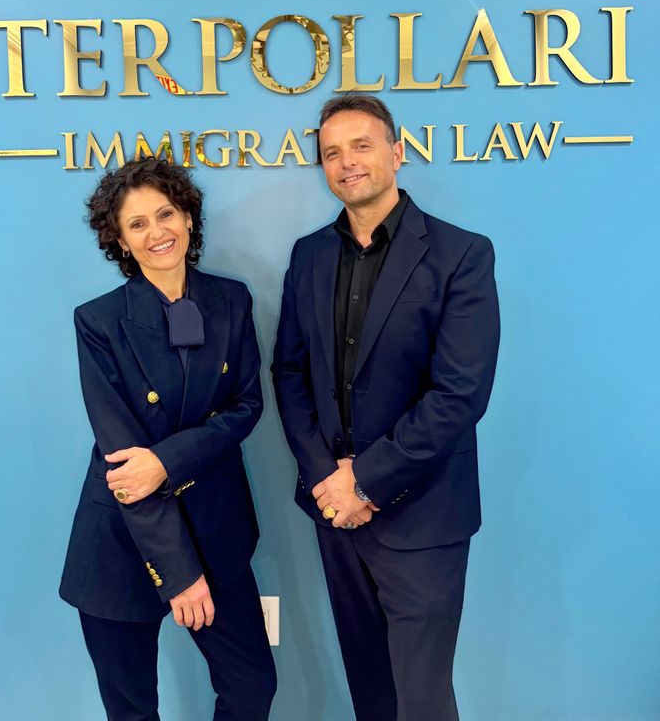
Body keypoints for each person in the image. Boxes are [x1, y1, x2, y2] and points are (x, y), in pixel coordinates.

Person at [272, 94, 500, 721]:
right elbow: (289, 372)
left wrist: (365, 482)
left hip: (421, 513)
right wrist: (325, 477)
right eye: (331, 153)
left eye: (362, 145)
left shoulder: (462, 255)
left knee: (422, 701)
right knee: (370, 692)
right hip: (334, 511)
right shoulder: (308, 255)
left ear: (397, 153)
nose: (346, 162)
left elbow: (460, 393)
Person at [59, 158, 276, 721]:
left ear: (187, 216)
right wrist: (179, 574)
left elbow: (246, 405)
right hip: (125, 540)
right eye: (137, 224)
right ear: (121, 241)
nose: (157, 233)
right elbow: (125, 463)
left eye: (165, 213)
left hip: (217, 531)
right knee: (132, 711)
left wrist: (164, 460)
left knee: (253, 687)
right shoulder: (98, 322)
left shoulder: (232, 300)